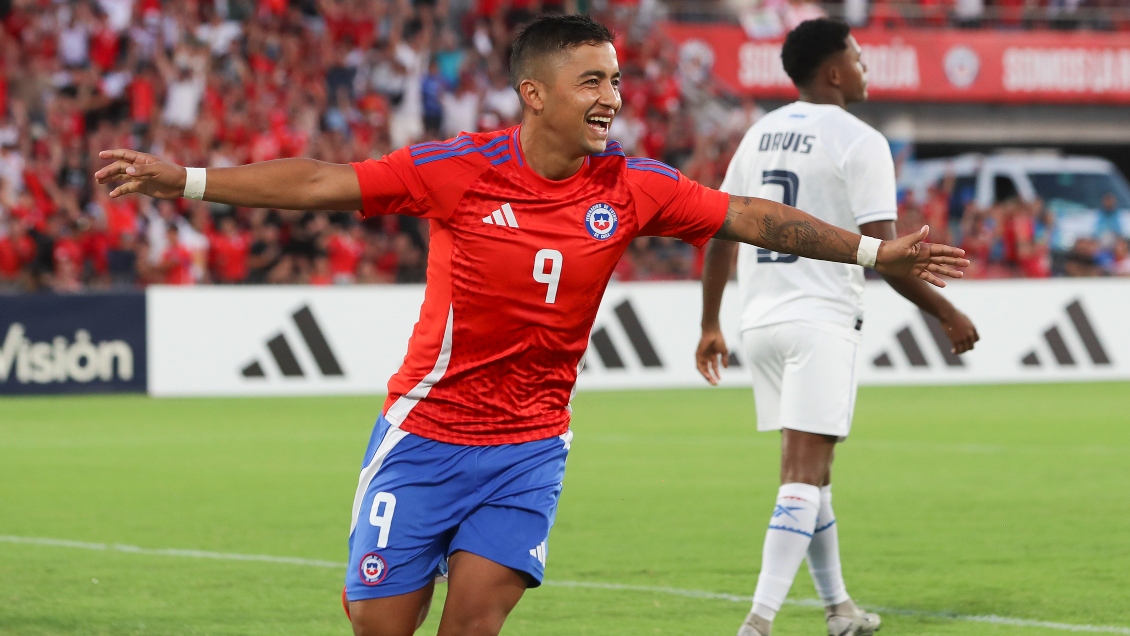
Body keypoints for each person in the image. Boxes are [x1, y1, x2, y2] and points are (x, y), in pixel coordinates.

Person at [95, 15, 967, 636]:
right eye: (593, 81)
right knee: (378, 622)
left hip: (528, 448)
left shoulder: (631, 186)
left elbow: (742, 215)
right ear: (533, 93)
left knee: (476, 622)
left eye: (617, 80)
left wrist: (867, 253)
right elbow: (325, 182)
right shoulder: (457, 171)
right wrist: (191, 181)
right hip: (424, 436)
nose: (612, 97)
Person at [695, 19, 980, 636]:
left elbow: (721, 229)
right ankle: (758, 622)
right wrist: (946, 311)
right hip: (818, 320)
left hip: (758, 322)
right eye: (856, 55)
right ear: (833, 72)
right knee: (801, 474)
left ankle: (839, 610)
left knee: (815, 473)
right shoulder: (860, 139)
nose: (864, 65)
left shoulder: (759, 133)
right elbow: (888, 253)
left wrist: (709, 323)